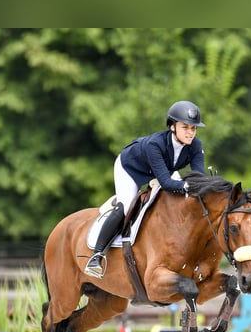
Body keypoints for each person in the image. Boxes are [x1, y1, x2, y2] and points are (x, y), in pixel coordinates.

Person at [84, 100, 207, 278]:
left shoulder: (196, 145)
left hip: (162, 170)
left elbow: (199, 177)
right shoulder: (155, 144)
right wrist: (189, 185)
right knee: (125, 206)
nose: (190, 132)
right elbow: (166, 183)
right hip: (131, 168)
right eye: (185, 127)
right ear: (172, 127)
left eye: (193, 128)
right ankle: (97, 255)